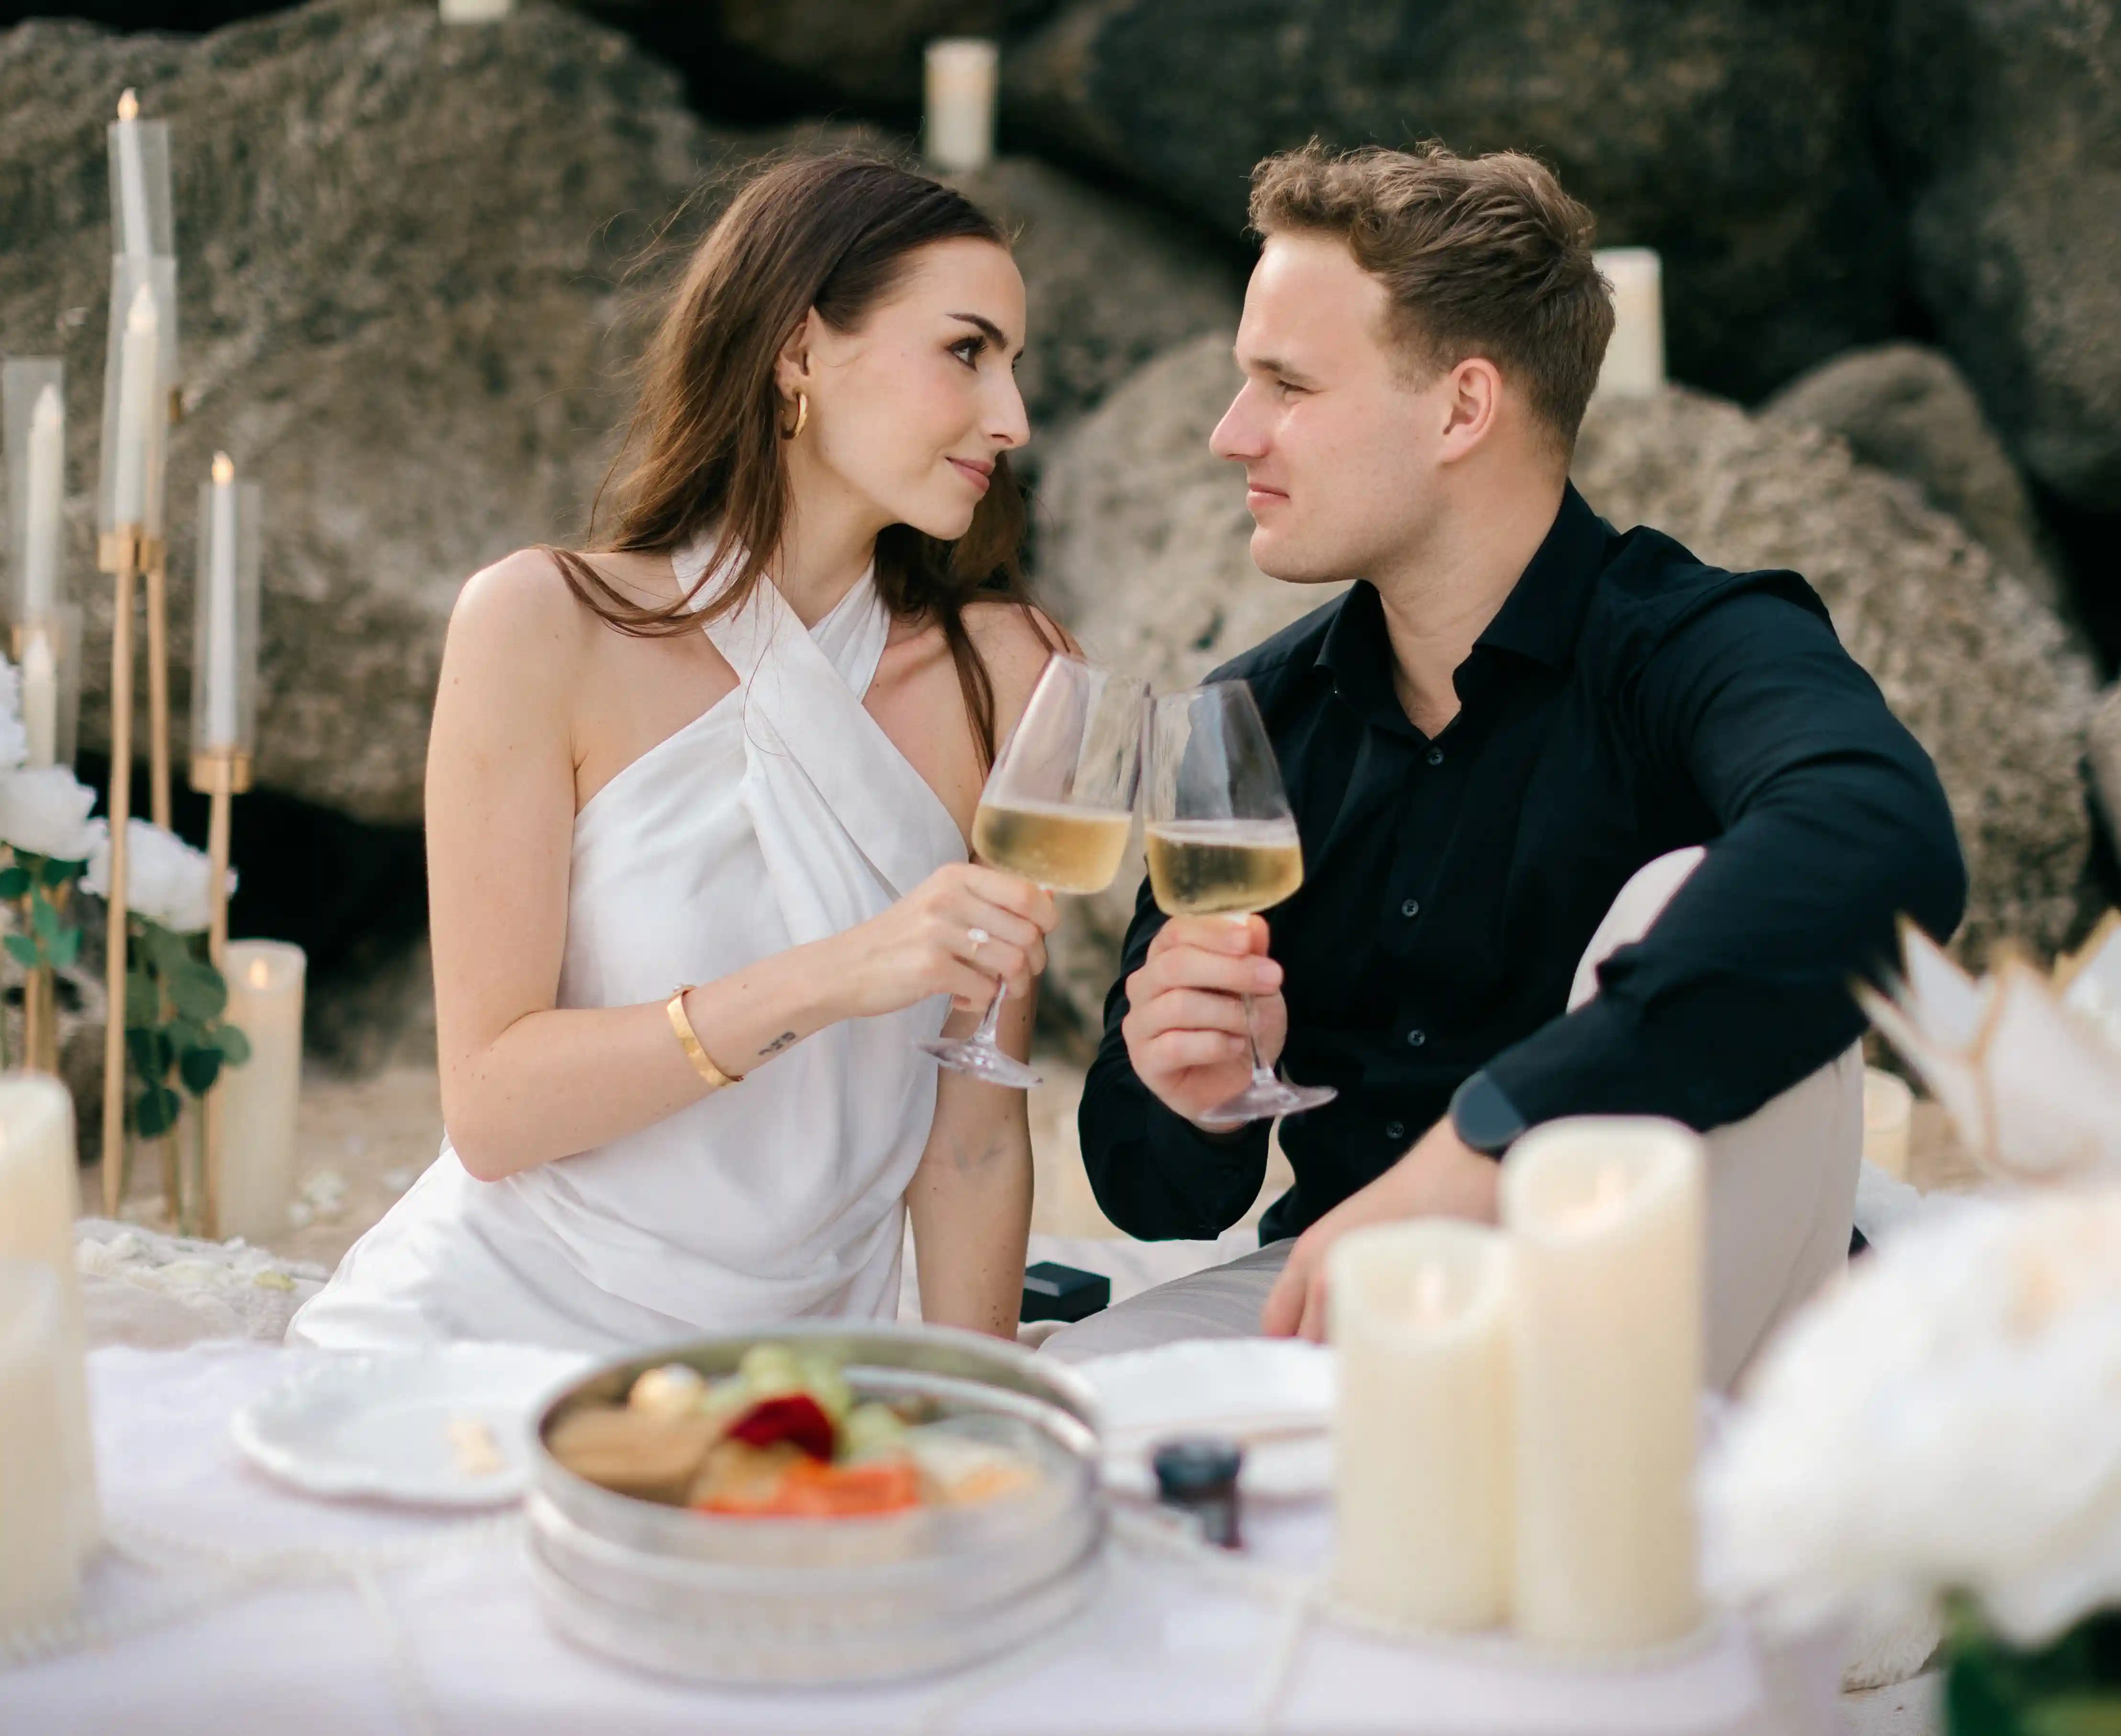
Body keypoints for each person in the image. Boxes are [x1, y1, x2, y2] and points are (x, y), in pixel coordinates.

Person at [1054, 144, 1966, 1382]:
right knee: (1059, 1421)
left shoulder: (1695, 642)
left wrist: (1495, 1135)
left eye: (1286, 384)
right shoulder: (1255, 717)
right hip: (1370, 1290)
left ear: (1461, 408)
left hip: (1681, 1281)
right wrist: (1191, 1090)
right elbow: (1150, 1195)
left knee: (1685, 893)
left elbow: (1883, 844)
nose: (1230, 434)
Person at [291, 154, 1065, 1353]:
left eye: (1012, 364)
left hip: (801, 1371)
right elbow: (491, 1110)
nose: (1011, 416)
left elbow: (971, 1139)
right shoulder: (540, 624)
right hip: (485, 1336)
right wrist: (835, 973)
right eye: (967, 351)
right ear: (799, 351)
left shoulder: (1008, 674)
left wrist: (973, 1407)